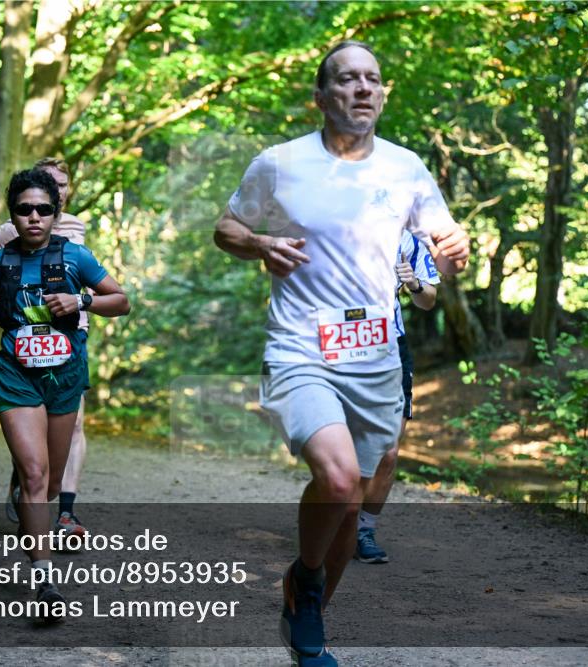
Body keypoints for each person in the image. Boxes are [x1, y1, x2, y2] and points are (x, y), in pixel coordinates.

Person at [214, 41, 469, 665]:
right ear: (322, 96)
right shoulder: (279, 164)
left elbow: (437, 243)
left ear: (382, 95)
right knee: (333, 478)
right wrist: (261, 242)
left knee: (354, 499)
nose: (362, 88)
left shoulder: (407, 168)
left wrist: (453, 246)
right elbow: (227, 229)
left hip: (377, 354)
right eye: (347, 79)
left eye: (373, 80)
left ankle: (308, 611)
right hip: (301, 344)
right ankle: (304, 575)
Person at [0, 168, 129, 618]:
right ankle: (44, 582)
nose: (34, 217)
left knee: (51, 483)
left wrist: (82, 301)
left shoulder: (76, 257)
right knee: (37, 476)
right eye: (24, 210)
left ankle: (27, 493)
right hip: (16, 374)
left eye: (43, 209)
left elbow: (122, 300)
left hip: (65, 375)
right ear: (12, 215)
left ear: (55, 214)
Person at [0, 158, 91, 537]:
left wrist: (83, 303)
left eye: (63, 184)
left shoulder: (76, 227)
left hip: (72, 337)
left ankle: (65, 512)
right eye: (50, 182)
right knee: (33, 443)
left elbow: (92, 278)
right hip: (27, 338)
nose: (57, 189)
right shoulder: (13, 227)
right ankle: (28, 480)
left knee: (73, 428)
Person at [355, 231, 440, 564]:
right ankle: (333, 521)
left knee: (387, 452)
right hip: (339, 345)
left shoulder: (410, 240)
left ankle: (363, 531)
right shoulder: (334, 223)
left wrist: (415, 284)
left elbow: (428, 299)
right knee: (339, 444)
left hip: (390, 349)